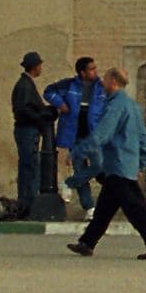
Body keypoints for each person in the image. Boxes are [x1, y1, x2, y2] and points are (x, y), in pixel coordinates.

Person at [67, 65, 146, 260]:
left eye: (104, 79)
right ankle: (87, 243)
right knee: (105, 208)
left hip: (118, 164)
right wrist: (141, 163)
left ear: (113, 82)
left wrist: (78, 152)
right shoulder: (132, 105)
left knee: (135, 208)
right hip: (124, 165)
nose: (102, 83)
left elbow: (102, 134)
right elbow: (143, 138)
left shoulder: (115, 106)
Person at [49, 55, 102, 217]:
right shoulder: (68, 85)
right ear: (82, 72)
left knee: (100, 164)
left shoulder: (100, 87)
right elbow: (49, 91)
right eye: (91, 69)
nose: (95, 71)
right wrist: (60, 103)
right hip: (75, 136)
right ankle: (89, 208)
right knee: (80, 168)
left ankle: (68, 183)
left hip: (93, 137)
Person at [10, 51, 58, 220]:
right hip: (27, 130)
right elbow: (24, 110)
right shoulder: (25, 85)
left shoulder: (25, 84)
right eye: (40, 65)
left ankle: (27, 204)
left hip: (28, 130)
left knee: (28, 167)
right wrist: (43, 116)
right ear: (36, 66)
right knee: (30, 168)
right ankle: (28, 205)